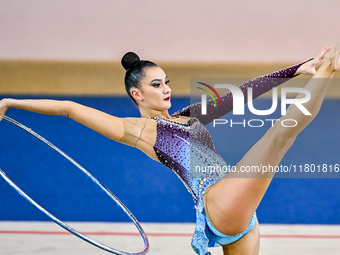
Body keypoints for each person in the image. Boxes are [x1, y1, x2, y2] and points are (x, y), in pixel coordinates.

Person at [0, 43, 339, 255]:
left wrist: (296, 68)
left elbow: (243, 93)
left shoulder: (187, 117)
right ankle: (329, 69)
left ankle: (323, 68)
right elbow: (70, 109)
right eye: (156, 84)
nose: (166, 89)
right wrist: (12, 101)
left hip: (239, 212)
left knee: (279, 135)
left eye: (167, 82)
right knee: (279, 135)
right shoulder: (139, 130)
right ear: (137, 94)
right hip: (218, 199)